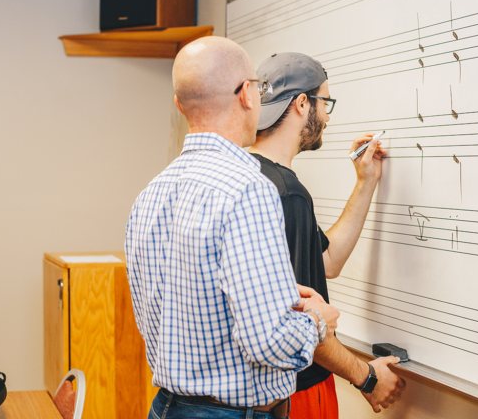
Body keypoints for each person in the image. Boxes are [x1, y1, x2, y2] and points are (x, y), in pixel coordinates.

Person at [124, 37, 341, 419]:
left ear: (179, 105)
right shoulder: (248, 189)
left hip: (166, 408)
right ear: (247, 95)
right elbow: (268, 342)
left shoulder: (149, 194)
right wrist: (318, 322)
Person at [249, 53, 406, 417]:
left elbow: (327, 261)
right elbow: (305, 323)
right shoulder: (288, 193)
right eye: (325, 102)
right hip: (296, 392)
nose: (328, 116)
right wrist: (367, 377)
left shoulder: (253, 176)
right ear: (303, 104)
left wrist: (366, 182)